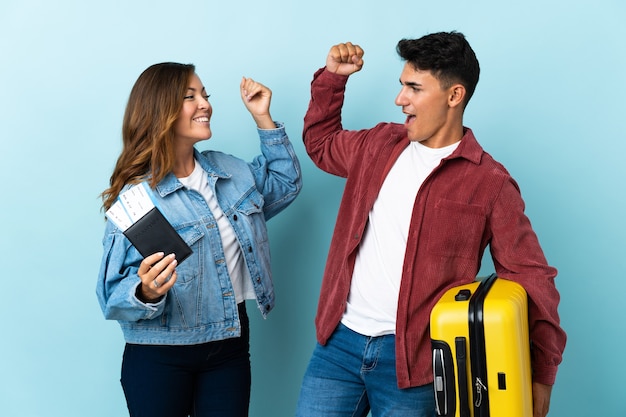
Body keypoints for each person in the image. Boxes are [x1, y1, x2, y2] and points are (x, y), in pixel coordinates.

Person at [295, 32, 566, 417]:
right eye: (402, 85)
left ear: (454, 96)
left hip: (418, 364)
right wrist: (333, 79)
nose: (400, 99)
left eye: (414, 88)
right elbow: (321, 143)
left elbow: (531, 278)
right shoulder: (378, 144)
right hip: (337, 344)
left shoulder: (490, 183)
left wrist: (541, 377)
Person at [97, 62, 302, 417]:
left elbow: (285, 183)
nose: (204, 103)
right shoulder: (138, 198)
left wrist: (263, 118)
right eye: (189, 97)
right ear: (160, 111)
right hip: (161, 354)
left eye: (205, 95)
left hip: (230, 346)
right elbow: (110, 296)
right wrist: (146, 290)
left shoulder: (231, 172)